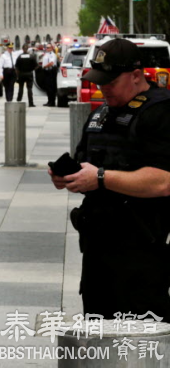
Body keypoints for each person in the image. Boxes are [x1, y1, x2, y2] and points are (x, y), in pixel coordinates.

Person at [50, 38, 170, 319]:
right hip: (98, 247)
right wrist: (69, 177)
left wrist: (101, 178)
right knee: (98, 334)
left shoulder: (160, 112)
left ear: (136, 76)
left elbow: (164, 181)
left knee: (141, 344)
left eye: (110, 82)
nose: (103, 89)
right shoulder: (101, 114)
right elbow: (86, 164)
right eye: (99, 81)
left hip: (141, 250)